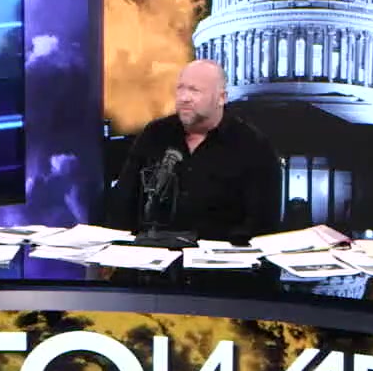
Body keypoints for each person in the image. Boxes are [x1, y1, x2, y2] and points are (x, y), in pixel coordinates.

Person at [109, 59, 282, 244]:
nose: (184, 98)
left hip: (219, 258)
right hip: (152, 254)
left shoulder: (252, 146)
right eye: (180, 89)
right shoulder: (155, 134)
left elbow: (262, 225)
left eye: (194, 90)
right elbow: (123, 203)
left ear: (221, 98)